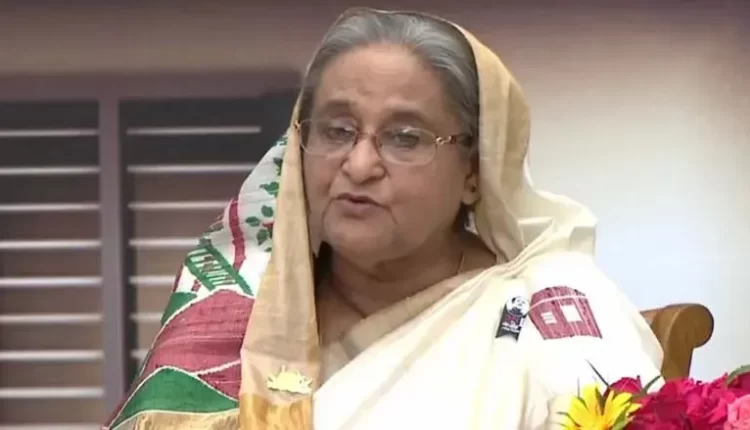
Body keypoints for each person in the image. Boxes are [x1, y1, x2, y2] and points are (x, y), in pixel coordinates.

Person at [103, 8, 663, 430]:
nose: (359, 165)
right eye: (336, 131)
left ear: (475, 172)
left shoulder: (544, 309)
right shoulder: (238, 320)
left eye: (405, 137)